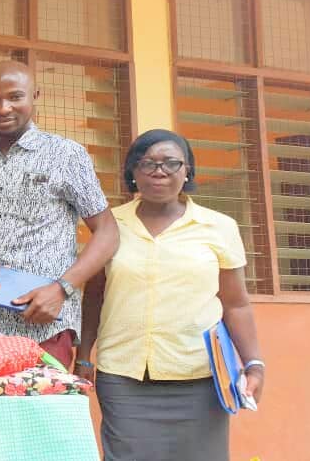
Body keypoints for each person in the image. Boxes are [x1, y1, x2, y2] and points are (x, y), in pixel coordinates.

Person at [76, 129, 264, 461]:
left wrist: (254, 364)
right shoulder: (110, 224)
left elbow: (236, 304)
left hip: (199, 377)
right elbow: (94, 296)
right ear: (133, 172)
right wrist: (84, 356)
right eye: (147, 163)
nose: (159, 171)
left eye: (171, 163)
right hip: (124, 376)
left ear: (187, 170)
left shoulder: (218, 227)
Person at [0, 60, 119, 368]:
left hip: (47, 327)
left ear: (35, 96)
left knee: (45, 402)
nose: (3, 108)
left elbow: (108, 232)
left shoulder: (66, 155)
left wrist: (62, 289)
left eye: (15, 97)